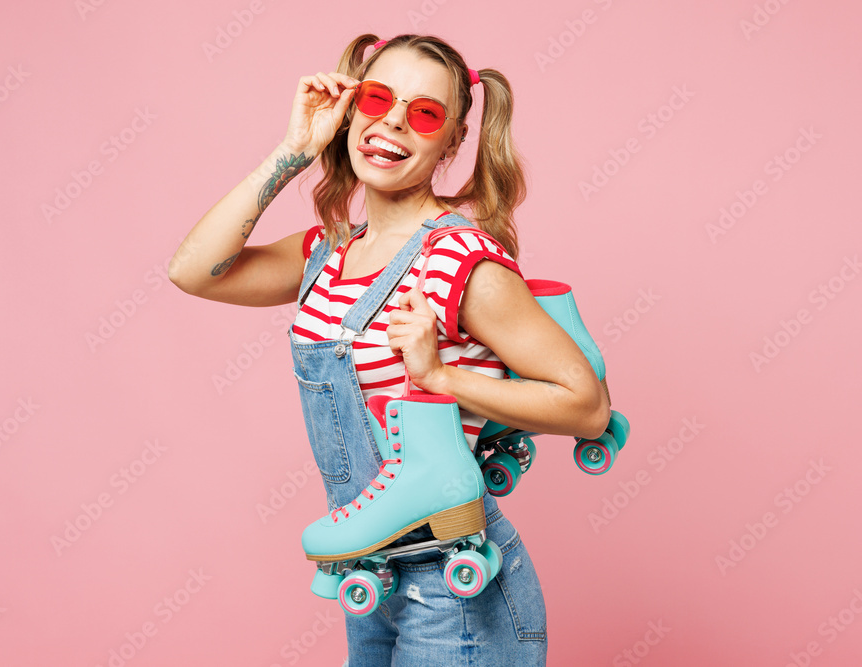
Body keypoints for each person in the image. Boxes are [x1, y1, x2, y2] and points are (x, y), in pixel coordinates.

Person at [170, 33, 610, 667]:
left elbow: (586, 405)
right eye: (377, 98)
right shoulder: (327, 254)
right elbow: (194, 271)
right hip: (372, 577)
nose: (394, 121)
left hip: (456, 588)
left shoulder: (459, 258)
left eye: (425, 112)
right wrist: (293, 152)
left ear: (452, 142)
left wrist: (438, 373)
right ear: (351, 109)